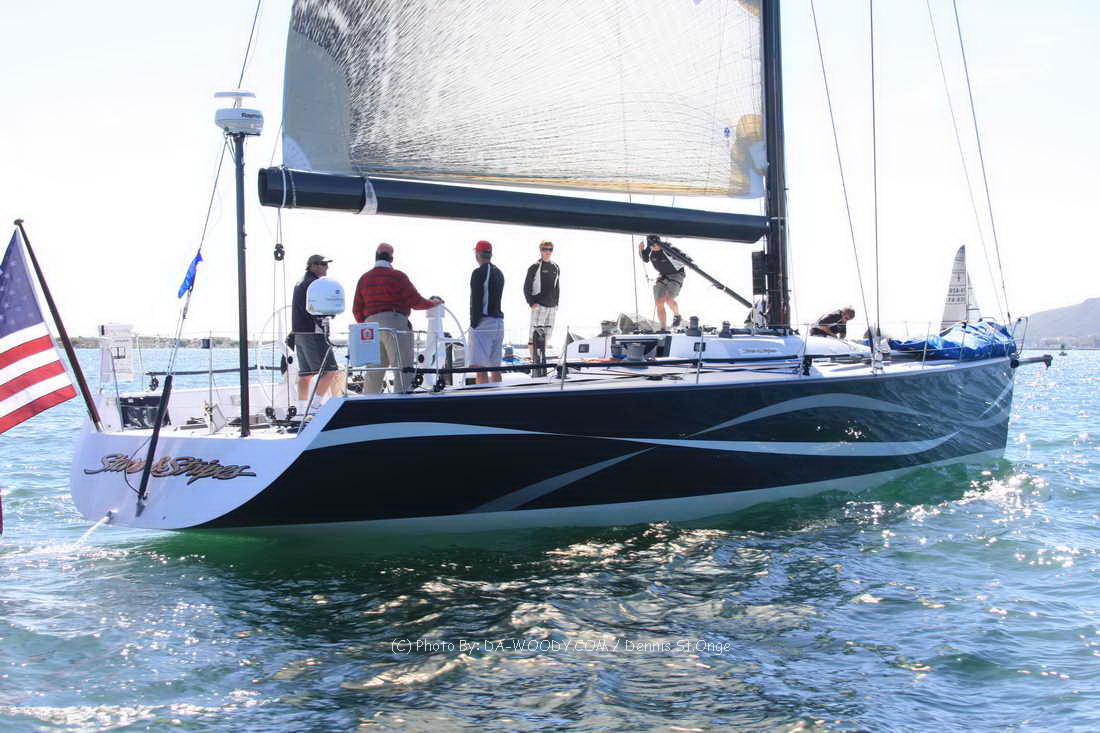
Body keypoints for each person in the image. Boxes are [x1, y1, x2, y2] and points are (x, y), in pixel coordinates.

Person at [352, 243, 443, 393]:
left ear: (375, 257)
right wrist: (433, 303)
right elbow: (415, 301)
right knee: (403, 368)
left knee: (374, 371)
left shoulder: (364, 279)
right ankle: (401, 400)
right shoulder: (398, 276)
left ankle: (368, 401)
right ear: (391, 258)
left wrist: (367, 324)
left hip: (370, 326)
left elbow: (356, 309)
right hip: (394, 321)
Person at [291, 254, 341, 405]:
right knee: (330, 370)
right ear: (313, 266)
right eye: (323, 264)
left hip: (299, 333)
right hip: (313, 332)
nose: (326, 267)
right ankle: (314, 406)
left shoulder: (301, 282)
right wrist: (327, 315)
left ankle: (301, 411)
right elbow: (314, 309)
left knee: (305, 375)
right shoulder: (314, 284)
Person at [469, 240, 505, 384]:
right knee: (495, 368)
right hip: (499, 323)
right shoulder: (499, 273)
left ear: (478, 254)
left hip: (484, 324)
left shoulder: (478, 273)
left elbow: (476, 301)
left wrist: (473, 324)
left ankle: (481, 396)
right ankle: (498, 396)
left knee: (481, 369)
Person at [639, 234, 686, 331]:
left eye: (656, 244)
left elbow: (684, 258)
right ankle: (663, 328)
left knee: (669, 299)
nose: (654, 247)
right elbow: (645, 259)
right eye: (652, 245)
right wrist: (641, 249)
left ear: (659, 243)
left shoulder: (668, 249)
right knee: (659, 302)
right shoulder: (650, 249)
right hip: (663, 275)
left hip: (676, 274)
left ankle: (677, 316)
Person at [523, 239, 560, 363]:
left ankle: (542, 360)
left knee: (546, 336)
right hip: (539, 306)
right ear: (540, 250)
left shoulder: (555, 267)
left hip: (552, 307)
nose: (547, 252)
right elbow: (526, 286)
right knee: (533, 335)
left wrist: (556, 303)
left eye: (550, 249)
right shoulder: (535, 267)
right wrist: (531, 302)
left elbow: (557, 287)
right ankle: (534, 361)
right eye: (545, 249)